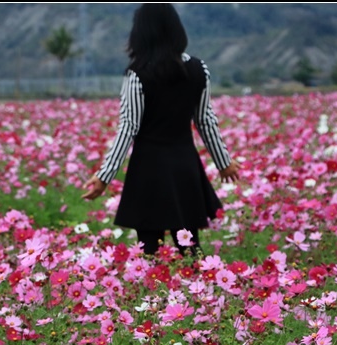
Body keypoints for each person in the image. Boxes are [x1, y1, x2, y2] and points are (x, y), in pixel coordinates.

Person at [82, 3, 240, 257]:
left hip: (149, 169)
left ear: (140, 34)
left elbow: (128, 128)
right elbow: (205, 120)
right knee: (188, 244)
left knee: (149, 249)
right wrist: (224, 163)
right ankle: (196, 291)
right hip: (184, 165)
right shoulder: (199, 69)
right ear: (177, 30)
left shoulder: (138, 75)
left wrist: (104, 177)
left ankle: (150, 295)